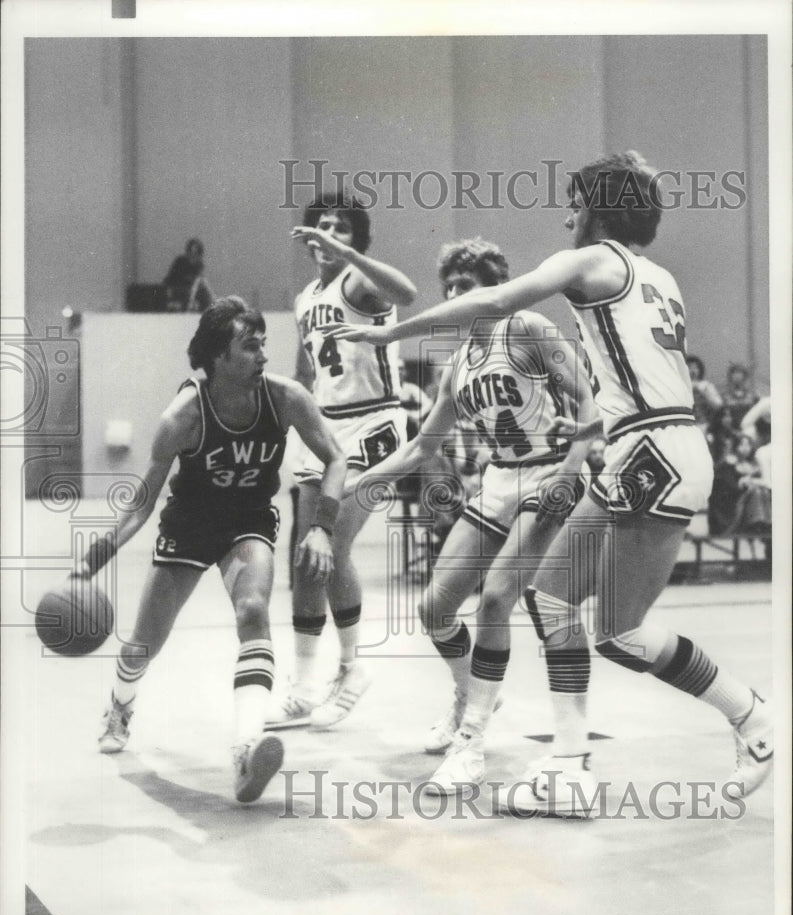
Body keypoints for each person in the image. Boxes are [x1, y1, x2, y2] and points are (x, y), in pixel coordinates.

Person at [332, 151, 773, 813]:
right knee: (615, 631)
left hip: (645, 448)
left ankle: (572, 764)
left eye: (574, 202)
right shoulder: (659, 277)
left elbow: (496, 298)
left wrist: (394, 329)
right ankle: (750, 720)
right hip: (678, 449)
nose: (566, 216)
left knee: (553, 601)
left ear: (598, 209)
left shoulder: (593, 258)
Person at [343, 238, 597, 794]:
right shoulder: (455, 366)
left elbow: (588, 403)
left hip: (551, 469)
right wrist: (364, 479)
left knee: (497, 598)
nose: (457, 296)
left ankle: (472, 744)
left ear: (494, 288)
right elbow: (420, 448)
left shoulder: (527, 328)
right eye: (450, 288)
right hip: (500, 479)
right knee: (434, 606)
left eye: (468, 285)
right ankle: (470, 693)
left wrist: (571, 468)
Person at [69, 297, 346, 804]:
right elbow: (141, 503)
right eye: (250, 346)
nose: (263, 354)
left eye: (264, 343)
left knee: (255, 610)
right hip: (191, 525)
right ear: (218, 356)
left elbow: (335, 457)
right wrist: (92, 562)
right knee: (142, 646)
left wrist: (322, 526)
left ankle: (245, 746)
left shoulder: (286, 397)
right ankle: (120, 704)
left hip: (248, 520)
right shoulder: (184, 414)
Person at [265, 193, 417, 730]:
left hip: (374, 422)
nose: (329, 234)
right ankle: (305, 685)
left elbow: (409, 292)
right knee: (308, 560)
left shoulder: (360, 282)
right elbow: (304, 373)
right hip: (324, 430)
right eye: (322, 227)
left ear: (357, 240)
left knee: (335, 544)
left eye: (342, 229)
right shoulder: (306, 296)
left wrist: (346, 252)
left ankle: (353, 667)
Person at [163, 238, 215, 312]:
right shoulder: (180, 261)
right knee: (199, 283)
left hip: (191, 290)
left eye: (195, 253)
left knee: (202, 284)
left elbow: (196, 282)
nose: (192, 255)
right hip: (178, 288)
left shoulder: (199, 264)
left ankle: (211, 309)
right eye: (191, 252)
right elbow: (172, 278)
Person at [686, 355, 722, 433]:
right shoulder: (680, 385)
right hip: (685, 425)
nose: (692, 371)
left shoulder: (707, 386)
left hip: (704, 425)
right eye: (689, 367)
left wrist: (704, 393)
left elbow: (718, 405)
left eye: (695, 368)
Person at [721, 362, 759, 427]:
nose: (737, 375)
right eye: (734, 373)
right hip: (732, 428)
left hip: (749, 426)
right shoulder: (725, 395)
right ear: (730, 376)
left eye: (739, 373)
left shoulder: (752, 393)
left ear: (744, 376)